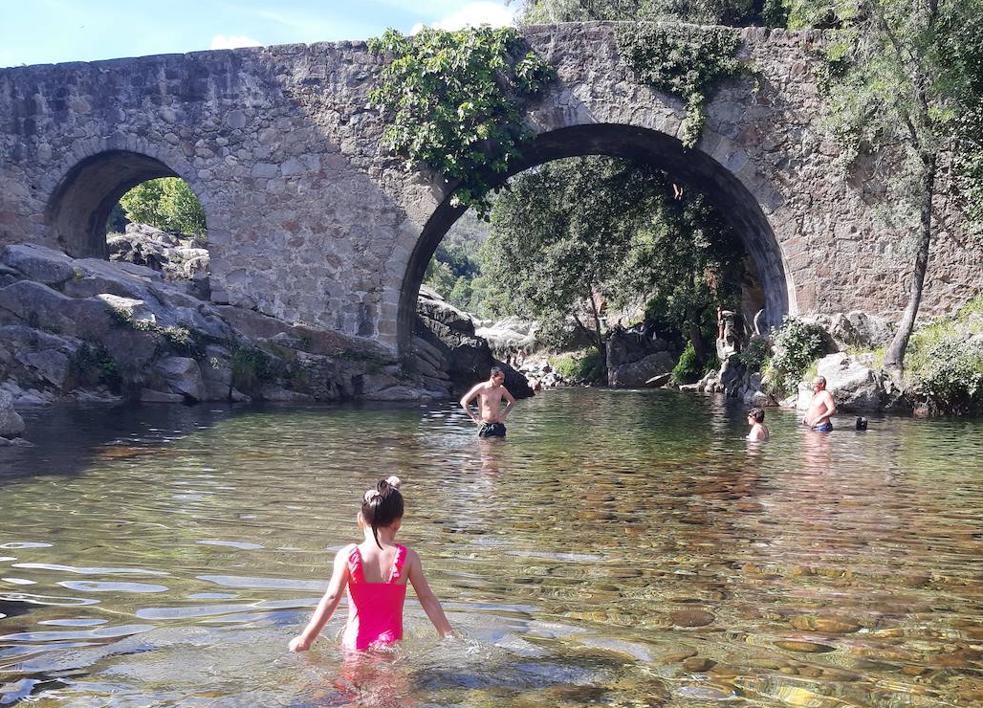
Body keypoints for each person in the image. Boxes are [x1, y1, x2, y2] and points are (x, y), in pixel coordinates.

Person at [288, 476, 453, 653]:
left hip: (354, 643)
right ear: (398, 523)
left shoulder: (348, 555)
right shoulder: (408, 558)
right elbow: (427, 599)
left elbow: (331, 598)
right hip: (390, 645)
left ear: (360, 519)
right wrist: (448, 634)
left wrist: (306, 639)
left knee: (351, 680)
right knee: (392, 681)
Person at [460, 366, 516, 438]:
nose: (502, 381)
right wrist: (474, 418)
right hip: (485, 425)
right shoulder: (481, 388)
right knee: (485, 448)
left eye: (503, 379)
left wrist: (503, 416)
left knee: (501, 448)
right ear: (493, 377)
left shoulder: (501, 389)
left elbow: (512, 402)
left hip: (498, 424)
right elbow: (464, 402)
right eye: (500, 379)